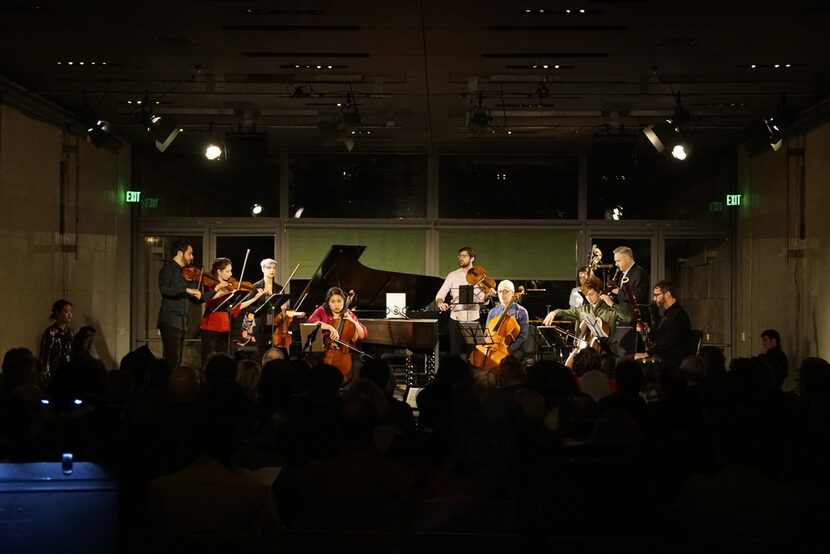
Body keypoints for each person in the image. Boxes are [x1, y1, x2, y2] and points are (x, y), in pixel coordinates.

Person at [543, 276, 633, 357]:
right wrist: (554, 313)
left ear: (600, 292)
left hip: (608, 351)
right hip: (587, 351)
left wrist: (611, 304)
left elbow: (628, 318)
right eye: (586, 295)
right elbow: (567, 312)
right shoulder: (585, 309)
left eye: (591, 294)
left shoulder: (610, 310)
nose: (588, 298)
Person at [199, 257, 264, 362]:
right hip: (210, 327)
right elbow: (208, 300)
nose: (231, 274)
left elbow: (238, 306)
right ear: (219, 271)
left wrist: (255, 298)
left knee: (227, 359)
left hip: (225, 328)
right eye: (228, 271)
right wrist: (221, 291)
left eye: (231, 271)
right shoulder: (209, 285)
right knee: (209, 359)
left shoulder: (230, 286)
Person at [435, 246, 492, 357]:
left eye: (464, 256)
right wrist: (440, 302)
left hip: (473, 319)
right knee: (454, 352)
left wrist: (488, 296)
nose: (461, 258)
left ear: (472, 259)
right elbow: (440, 294)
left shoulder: (480, 277)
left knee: (473, 355)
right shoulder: (453, 275)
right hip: (455, 319)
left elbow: (484, 300)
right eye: (459, 256)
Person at [158, 239, 202, 368]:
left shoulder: (185, 272)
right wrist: (187, 289)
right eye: (190, 253)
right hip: (170, 320)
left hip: (181, 321)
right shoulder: (167, 269)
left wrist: (214, 290)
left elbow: (193, 298)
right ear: (179, 253)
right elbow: (165, 289)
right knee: (172, 360)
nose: (192, 257)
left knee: (176, 360)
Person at [308, 287, 367, 382]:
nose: (336, 304)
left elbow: (363, 334)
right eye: (333, 301)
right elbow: (310, 323)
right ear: (328, 302)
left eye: (339, 301)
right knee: (312, 362)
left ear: (344, 301)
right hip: (325, 350)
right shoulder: (321, 310)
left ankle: (350, 389)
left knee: (357, 364)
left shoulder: (348, 314)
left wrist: (352, 321)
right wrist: (329, 327)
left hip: (345, 351)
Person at [635, 280, 691, 368]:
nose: (654, 299)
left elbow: (668, 342)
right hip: (664, 356)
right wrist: (647, 331)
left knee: (629, 362)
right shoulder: (669, 313)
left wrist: (648, 353)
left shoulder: (678, 315)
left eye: (657, 295)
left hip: (671, 361)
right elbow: (661, 337)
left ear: (668, 294)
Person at [245, 258, 284, 362]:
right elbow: (249, 307)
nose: (272, 270)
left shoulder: (279, 288)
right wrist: (261, 309)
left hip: (275, 325)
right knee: (261, 353)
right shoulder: (256, 287)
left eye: (274, 268)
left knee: (277, 353)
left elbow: (281, 307)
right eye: (268, 267)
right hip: (261, 325)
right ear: (262, 269)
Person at [483, 280, 530, 361]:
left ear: (512, 293)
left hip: (512, 348)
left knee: (505, 361)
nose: (502, 294)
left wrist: (508, 349)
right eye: (500, 291)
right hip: (493, 347)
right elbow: (487, 333)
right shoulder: (492, 312)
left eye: (506, 291)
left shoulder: (521, 312)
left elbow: (523, 336)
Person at [39, 299, 74, 382]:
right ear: (57, 313)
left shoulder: (70, 332)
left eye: (71, 312)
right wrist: (46, 376)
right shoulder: (50, 333)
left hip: (68, 372)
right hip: (54, 373)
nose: (70, 314)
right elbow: (45, 356)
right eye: (66, 312)